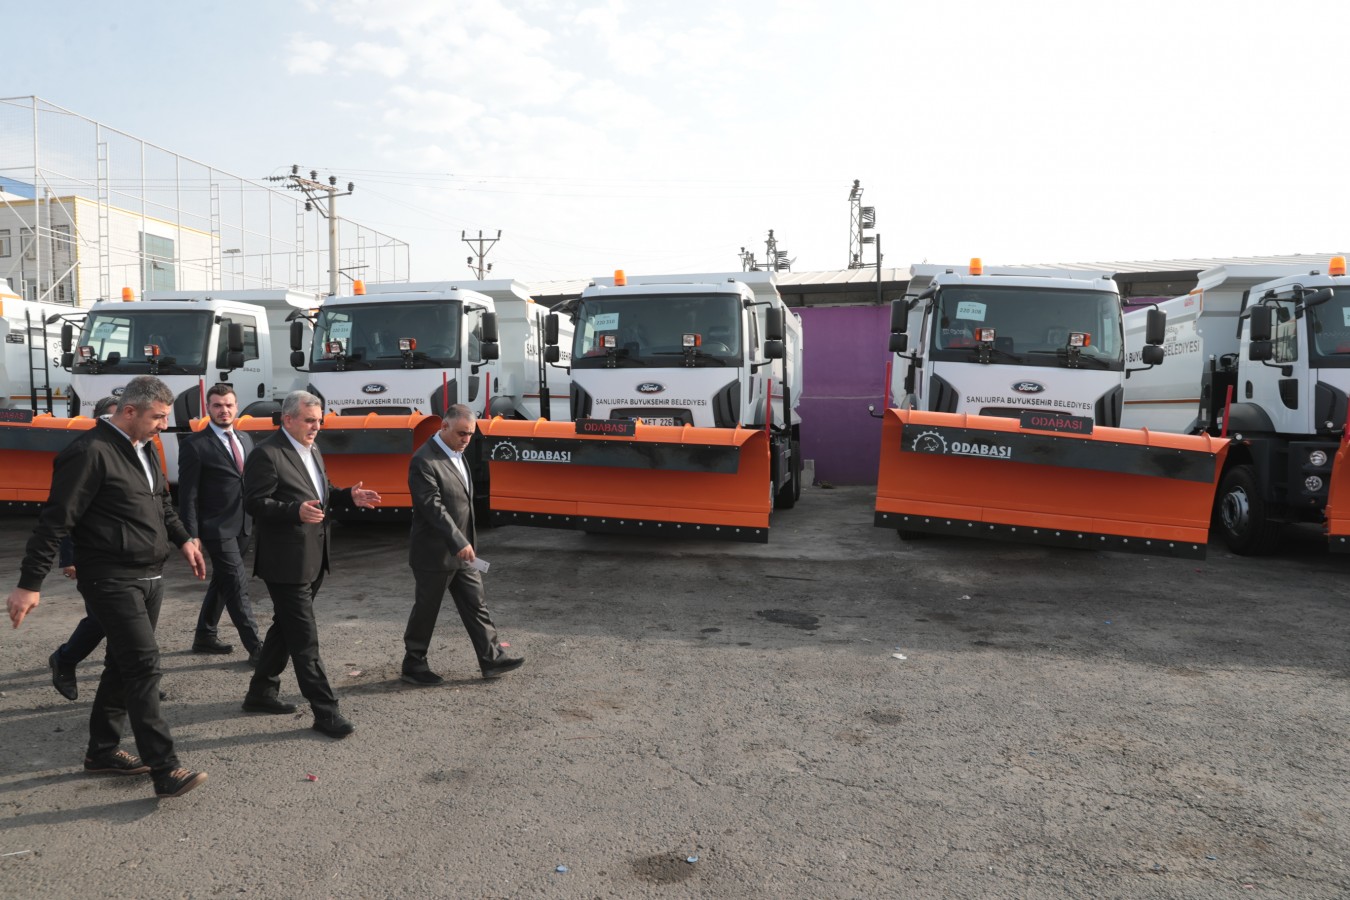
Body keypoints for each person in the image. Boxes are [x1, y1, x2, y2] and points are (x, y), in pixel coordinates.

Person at [7, 376, 209, 800]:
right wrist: (29, 584)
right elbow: (54, 522)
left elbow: (161, 502)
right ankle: (165, 769)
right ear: (129, 411)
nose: (163, 425)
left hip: (150, 574)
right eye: (158, 417)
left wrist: (184, 539)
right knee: (144, 665)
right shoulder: (89, 452)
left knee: (122, 664)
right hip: (109, 576)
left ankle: (101, 751)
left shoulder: (144, 447)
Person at [241, 390, 381, 738]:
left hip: (314, 557)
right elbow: (254, 503)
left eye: (319, 421)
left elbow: (322, 492)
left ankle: (261, 692)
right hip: (284, 562)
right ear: (288, 419)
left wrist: (348, 496)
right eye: (309, 420)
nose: (316, 427)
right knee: (304, 638)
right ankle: (326, 712)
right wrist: (293, 511)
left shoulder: (312, 448)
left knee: (285, 628)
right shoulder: (267, 454)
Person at [402, 404, 523, 685]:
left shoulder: (457, 453)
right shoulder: (424, 461)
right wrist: (458, 540)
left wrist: (466, 542)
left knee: (476, 604)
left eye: (470, 434)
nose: (467, 439)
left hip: (464, 552)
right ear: (443, 426)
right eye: (461, 433)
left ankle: (492, 659)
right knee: (426, 610)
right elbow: (432, 507)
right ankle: (413, 664)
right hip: (435, 553)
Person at [179, 383, 262, 663]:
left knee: (223, 581)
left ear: (236, 407)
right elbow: (187, 495)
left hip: (244, 524)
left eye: (228, 405)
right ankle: (257, 648)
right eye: (217, 405)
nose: (223, 410)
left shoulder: (246, 439)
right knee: (236, 584)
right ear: (208, 408)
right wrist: (191, 534)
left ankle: (205, 635)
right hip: (215, 527)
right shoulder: (194, 444)